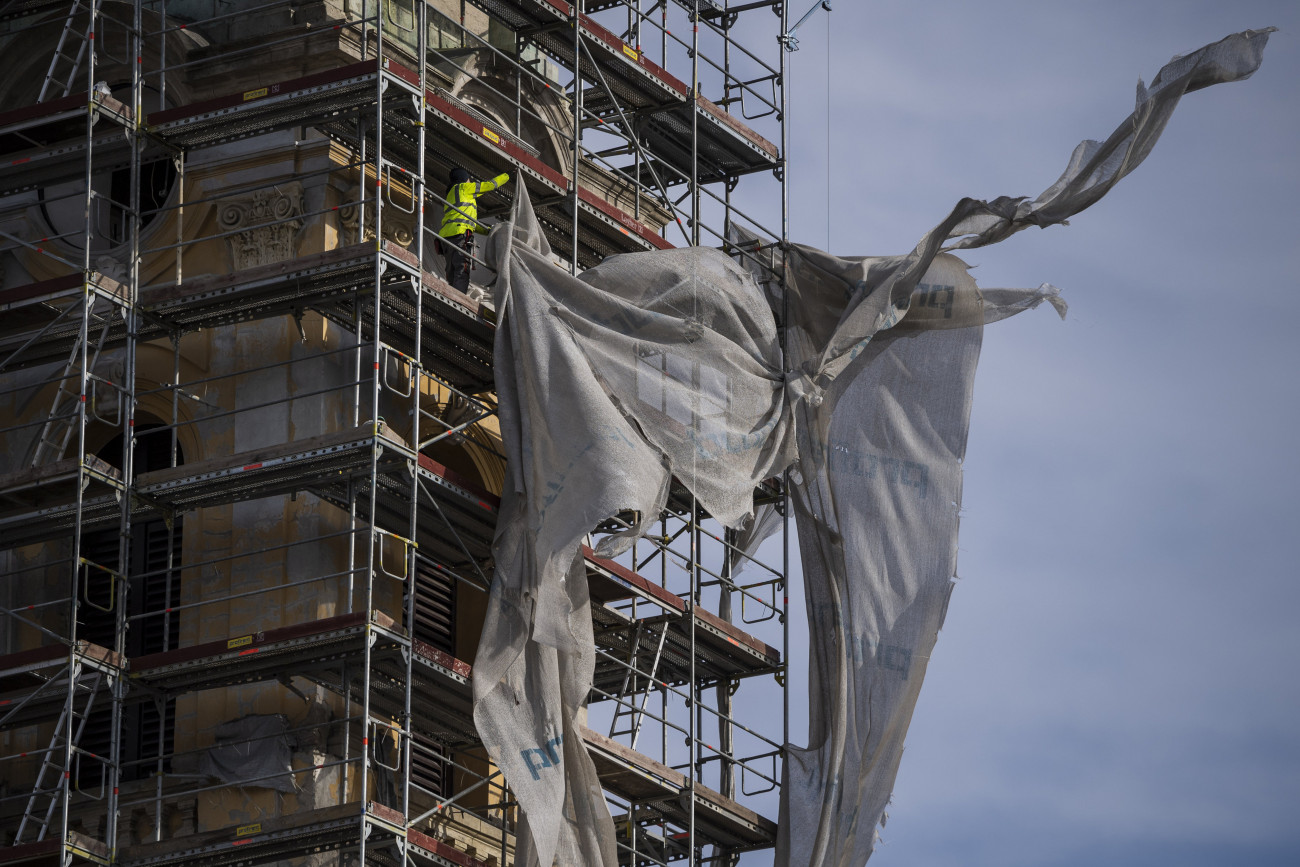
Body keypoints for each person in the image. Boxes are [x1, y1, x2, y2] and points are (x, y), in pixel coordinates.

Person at [439, 166, 510, 292]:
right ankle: (458, 298)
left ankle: (451, 293)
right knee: (462, 269)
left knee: (451, 271)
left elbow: (468, 222)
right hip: (460, 235)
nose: (470, 181)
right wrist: (507, 176)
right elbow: (489, 185)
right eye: (469, 179)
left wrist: (489, 230)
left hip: (446, 237)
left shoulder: (451, 194)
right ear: (463, 179)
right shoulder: (464, 188)